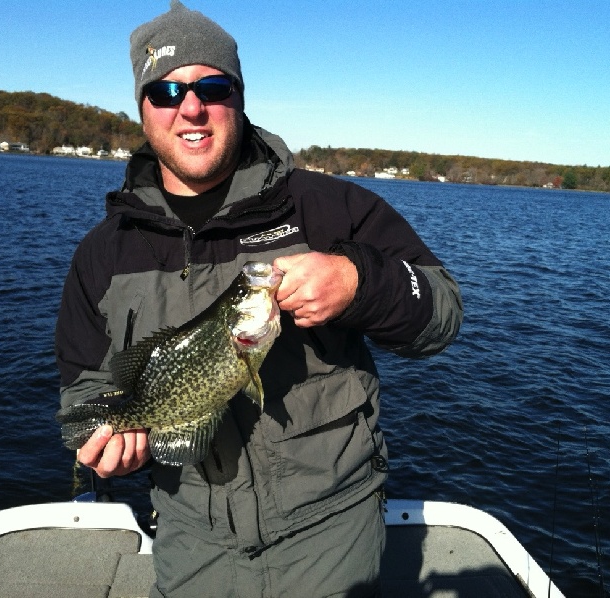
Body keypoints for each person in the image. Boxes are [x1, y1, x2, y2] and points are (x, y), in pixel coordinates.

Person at [55, 1, 463, 596]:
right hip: (191, 543)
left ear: (239, 97)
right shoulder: (102, 254)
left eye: (211, 86)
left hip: (332, 538)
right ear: (142, 108)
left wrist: (359, 281)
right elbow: (83, 392)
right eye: (166, 91)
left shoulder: (328, 208)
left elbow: (444, 311)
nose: (190, 107)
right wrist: (100, 445)